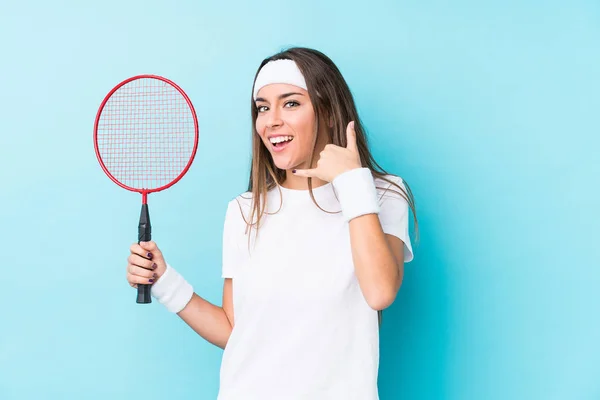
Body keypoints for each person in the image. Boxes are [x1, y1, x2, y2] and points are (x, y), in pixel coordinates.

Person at [125, 47, 418, 400]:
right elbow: (236, 330)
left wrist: (353, 183)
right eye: (262, 107)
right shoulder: (245, 210)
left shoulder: (382, 194)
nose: (271, 120)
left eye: (290, 103)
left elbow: (380, 291)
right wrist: (165, 282)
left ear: (327, 112)